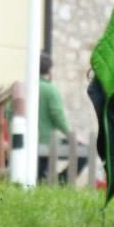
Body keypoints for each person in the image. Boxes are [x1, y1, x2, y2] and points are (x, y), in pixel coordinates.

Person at [37, 51, 71, 182]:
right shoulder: (51, 90)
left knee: (38, 173)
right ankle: (61, 180)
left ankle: (44, 181)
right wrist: (70, 134)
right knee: (83, 152)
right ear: (49, 71)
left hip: (29, 140)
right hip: (47, 141)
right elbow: (58, 116)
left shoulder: (24, 87)